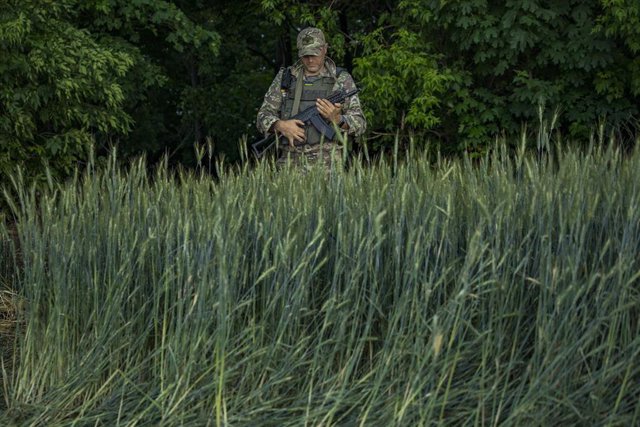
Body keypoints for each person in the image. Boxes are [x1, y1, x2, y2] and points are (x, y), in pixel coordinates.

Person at [256, 27, 366, 169]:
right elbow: (262, 117)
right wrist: (281, 126)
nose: (310, 60)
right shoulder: (286, 78)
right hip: (290, 165)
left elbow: (360, 124)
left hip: (329, 166)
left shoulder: (340, 79)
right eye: (306, 55)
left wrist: (338, 120)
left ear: (325, 49)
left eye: (315, 54)